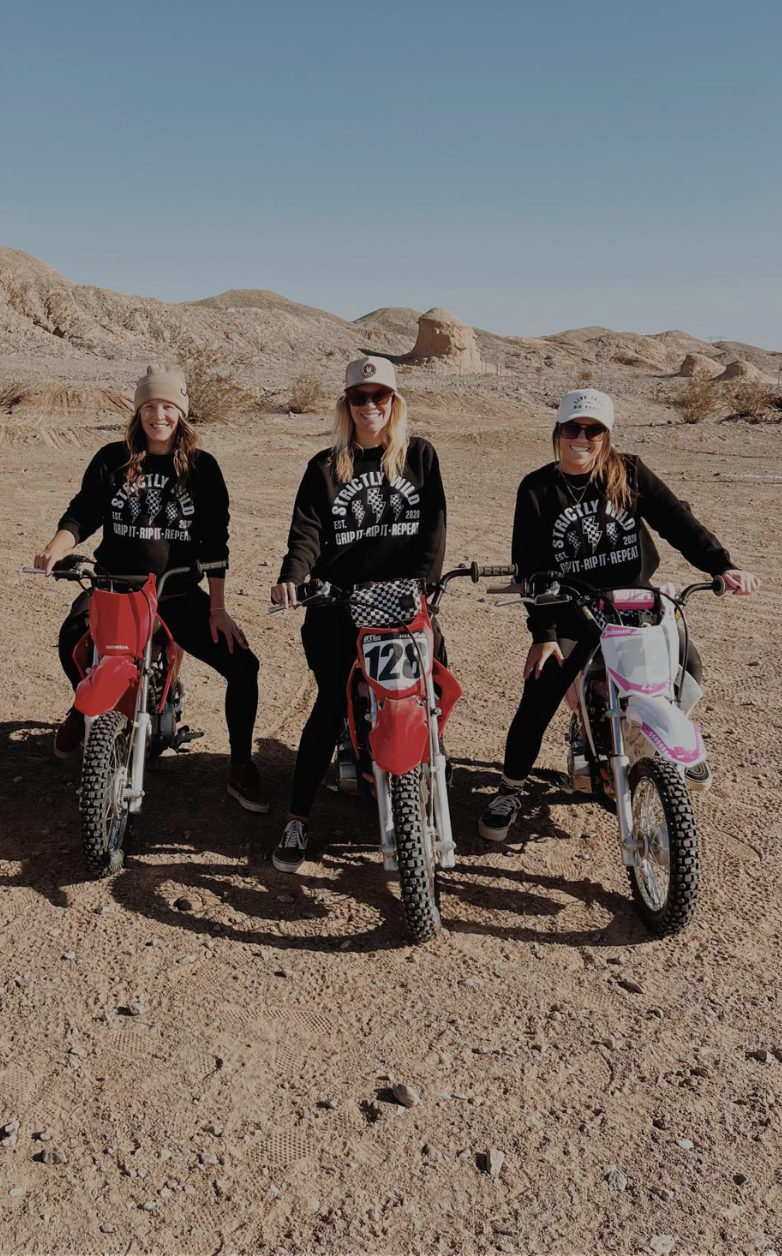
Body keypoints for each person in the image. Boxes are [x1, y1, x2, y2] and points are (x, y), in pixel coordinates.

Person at [478, 387, 760, 843]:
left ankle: (661, 738)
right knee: (541, 690)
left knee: (687, 668)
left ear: (606, 436)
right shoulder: (537, 489)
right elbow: (530, 567)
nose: (582, 438)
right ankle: (510, 788)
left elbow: (676, 521)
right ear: (559, 431)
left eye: (594, 430)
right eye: (574, 428)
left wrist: (722, 565)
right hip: (572, 609)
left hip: (632, 604)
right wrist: (544, 632)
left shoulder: (628, 473)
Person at [34, 362, 267, 812]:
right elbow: (83, 512)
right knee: (71, 640)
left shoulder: (202, 468)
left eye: (167, 406)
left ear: (181, 412)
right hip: (115, 588)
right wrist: (57, 546)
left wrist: (217, 608)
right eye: (149, 406)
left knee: (244, 668)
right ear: (138, 410)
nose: (157, 415)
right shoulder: (112, 459)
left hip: (175, 595)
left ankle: (241, 766)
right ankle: (83, 710)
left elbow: (216, 541)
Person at [270, 355, 447, 872]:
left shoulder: (420, 456)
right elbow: (306, 532)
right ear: (346, 405)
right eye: (359, 397)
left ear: (394, 403)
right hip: (338, 604)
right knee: (330, 702)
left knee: (429, 690)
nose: (370, 406)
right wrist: (293, 577)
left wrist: (424, 585)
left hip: (402, 603)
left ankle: (427, 775)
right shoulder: (325, 467)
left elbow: (433, 527)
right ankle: (298, 817)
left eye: (380, 397)